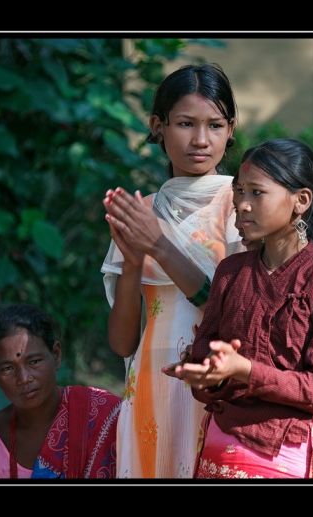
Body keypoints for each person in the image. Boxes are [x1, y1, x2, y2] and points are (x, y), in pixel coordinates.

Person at [162, 138, 313, 479]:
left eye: (257, 192)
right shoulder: (231, 271)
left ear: (301, 201)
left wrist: (245, 370)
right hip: (219, 450)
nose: (242, 204)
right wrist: (204, 373)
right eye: (240, 191)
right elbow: (207, 364)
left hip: (290, 456)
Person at [100, 63, 244, 478]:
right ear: (157, 126)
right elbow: (123, 341)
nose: (201, 139)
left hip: (216, 381)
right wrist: (131, 261)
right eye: (185, 123)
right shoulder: (140, 212)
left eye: (215, 125)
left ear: (231, 129)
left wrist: (158, 247)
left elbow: (231, 307)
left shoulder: (241, 205)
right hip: (150, 383)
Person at [0, 303, 121, 479]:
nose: (24, 378)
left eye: (34, 362)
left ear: (56, 355)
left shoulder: (107, 413)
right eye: (7, 368)